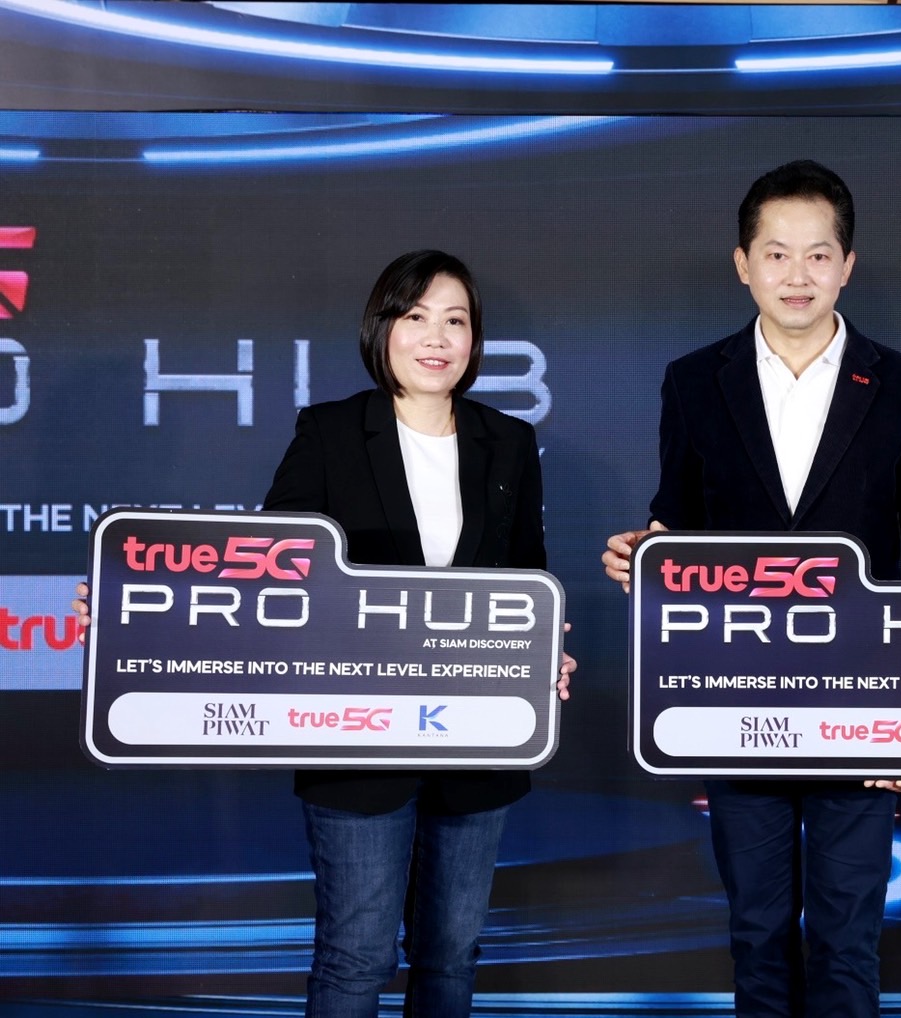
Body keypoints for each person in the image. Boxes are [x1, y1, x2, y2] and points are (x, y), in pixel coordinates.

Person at [80, 249, 574, 1017]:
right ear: (382, 328)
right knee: (357, 958)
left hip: (478, 741)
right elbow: (263, 570)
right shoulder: (332, 432)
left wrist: (544, 656)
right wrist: (128, 609)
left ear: (475, 339)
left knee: (451, 956)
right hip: (354, 741)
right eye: (415, 316)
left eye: (455, 320)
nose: (436, 337)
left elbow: (525, 577)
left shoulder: (505, 441)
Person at [601, 159, 901, 1018]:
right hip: (737, 704)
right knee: (757, 939)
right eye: (776, 254)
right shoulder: (695, 381)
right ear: (743, 264)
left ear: (847, 265)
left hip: (864, 712)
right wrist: (644, 559)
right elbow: (678, 530)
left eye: (817, 254)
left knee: (847, 944)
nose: (796, 275)